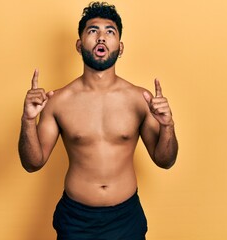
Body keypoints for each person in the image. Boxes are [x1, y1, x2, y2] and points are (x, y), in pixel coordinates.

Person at [18, 2, 178, 239]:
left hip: (126, 218)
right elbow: (32, 163)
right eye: (93, 31)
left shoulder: (139, 99)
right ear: (79, 44)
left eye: (110, 31)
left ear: (120, 47)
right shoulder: (58, 101)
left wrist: (168, 126)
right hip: (76, 220)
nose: (101, 37)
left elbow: (165, 161)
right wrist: (28, 120)